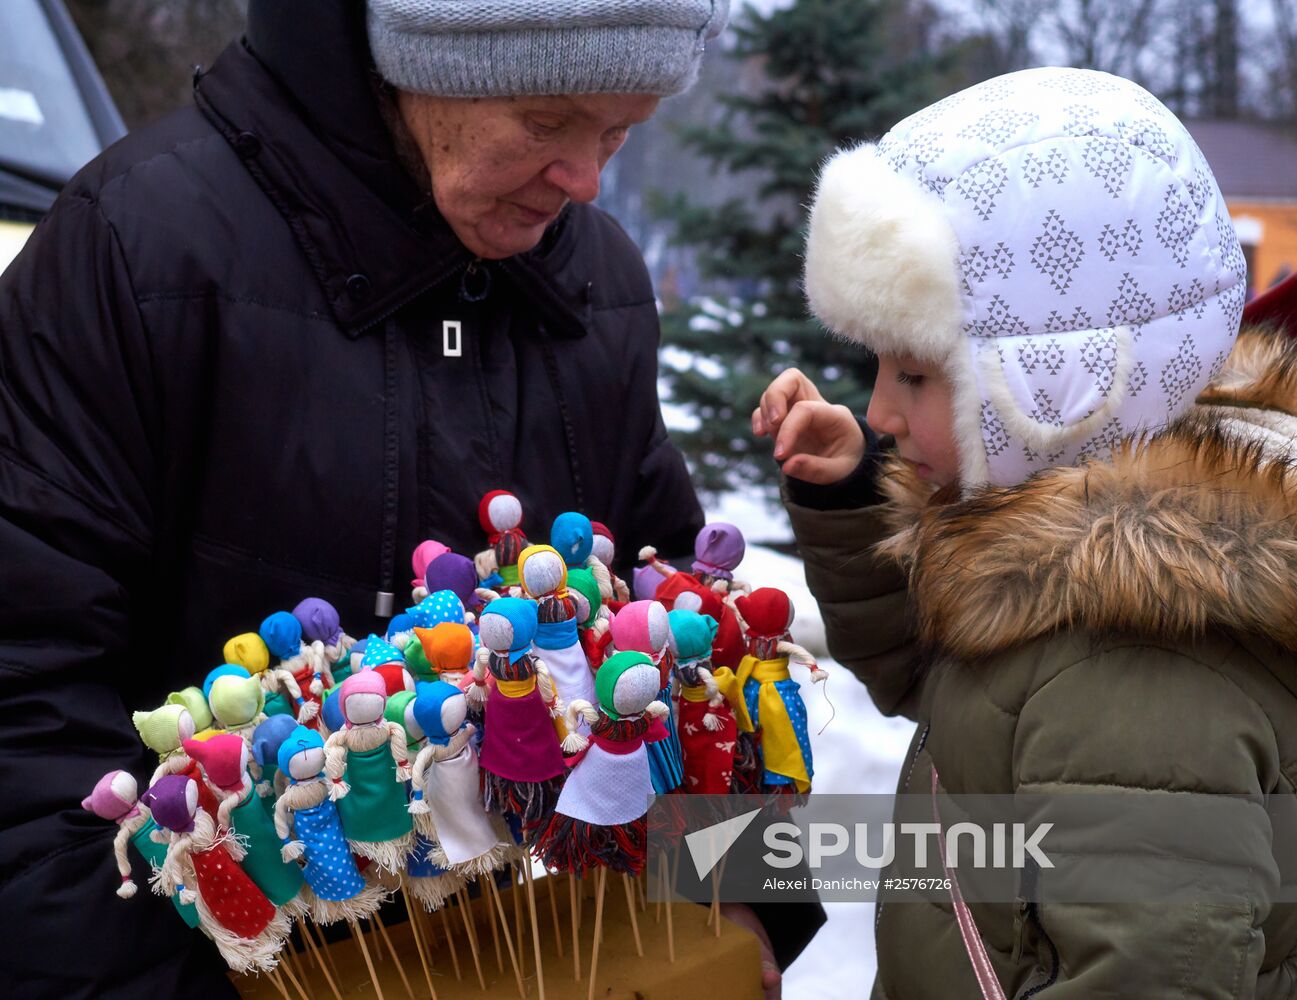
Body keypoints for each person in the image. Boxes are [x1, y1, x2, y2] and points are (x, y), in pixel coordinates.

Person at [0, 1, 822, 995]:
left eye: (617, 132)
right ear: (425, 60)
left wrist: (735, 902)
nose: (586, 180)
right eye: (548, 121)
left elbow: (677, 654)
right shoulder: (140, 252)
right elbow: (28, 706)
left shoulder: (593, 280)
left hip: (561, 955)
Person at [755, 67, 1297, 997]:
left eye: (916, 377)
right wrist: (852, 502)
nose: (880, 408)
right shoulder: (1054, 542)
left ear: (1059, 384)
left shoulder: (1143, 669)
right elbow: (950, 684)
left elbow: (1148, 974)